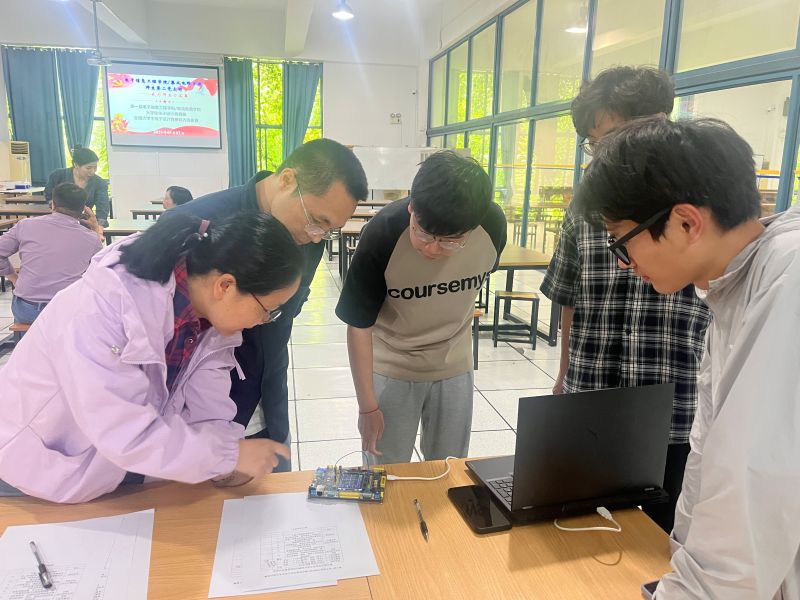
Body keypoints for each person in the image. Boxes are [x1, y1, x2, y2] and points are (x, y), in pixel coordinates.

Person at [576, 116, 800, 598]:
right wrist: (678, 567)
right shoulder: (731, 286)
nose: (625, 264)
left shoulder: (788, 281)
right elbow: (708, 451)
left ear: (686, 222)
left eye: (623, 241)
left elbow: (751, 489)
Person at [0, 212, 305, 503]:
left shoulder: (209, 324)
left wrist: (227, 455)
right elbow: (123, 430)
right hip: (33, 469)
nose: (264, 321)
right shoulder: (104, 309)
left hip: (108, 468)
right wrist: (229, 455)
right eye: (268, 309)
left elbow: (210, 409)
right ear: (225, 286)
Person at [540, 67, 711, 533]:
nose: (602, 157)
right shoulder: (585, 209)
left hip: (673, 408)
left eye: (612, 140)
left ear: (658, 126)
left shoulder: (699, 213)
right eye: (595, 145)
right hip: (592, 397)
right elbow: (569, 298)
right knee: (581, 529)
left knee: (662, 536)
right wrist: (564, 375)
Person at [165, 138, 368, 471]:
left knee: (275, 493)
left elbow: (284, 316)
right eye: (317, 220)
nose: (318, 235)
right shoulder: (199, 224)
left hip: (267, 395)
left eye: (330, 229)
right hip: (193, 415)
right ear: (287, 179)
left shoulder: (308, 239)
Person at [335, 151, 506, 463]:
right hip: (393, 365)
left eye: (451, 241)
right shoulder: (383, 232)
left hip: (454, 363)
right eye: (424, 233)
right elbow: (358, 326)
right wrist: (367, 406)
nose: (433, 249)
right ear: (411, 207)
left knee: (449, 467)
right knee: (385, 469)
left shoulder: (491, 224)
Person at [0, 182, 103, 328]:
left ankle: (25, 342)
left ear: (53, 205)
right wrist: (96, 229)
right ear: (84, 210)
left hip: (27, 309)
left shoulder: (26, 225)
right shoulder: (92, 238)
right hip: (67, 309)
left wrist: (14, 278)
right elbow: (100, 270)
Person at [45, 146, 110, 226]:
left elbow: (102, 206)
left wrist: (99, 226)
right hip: (59, 221)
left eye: (95, 167)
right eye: (88, 168)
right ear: (76, 165)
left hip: (85, 222)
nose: (92, 172)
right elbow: (49, 195)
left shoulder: (99, 183)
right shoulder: (58, 175)